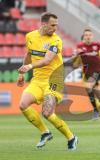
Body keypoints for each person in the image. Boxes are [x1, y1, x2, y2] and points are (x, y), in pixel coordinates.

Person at [17, 12, 78, 150]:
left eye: (56, 25)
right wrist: (21, 73)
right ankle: (45, 132)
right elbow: (28, 54)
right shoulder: (30, 36)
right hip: (37, 80)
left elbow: (48, 60)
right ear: (44, 24)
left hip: (54, 80)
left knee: (47, 113)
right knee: (23, 104)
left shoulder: (56, 40)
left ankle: (71, 137)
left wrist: (31, 66)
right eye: (52, 25)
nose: (55, 28)